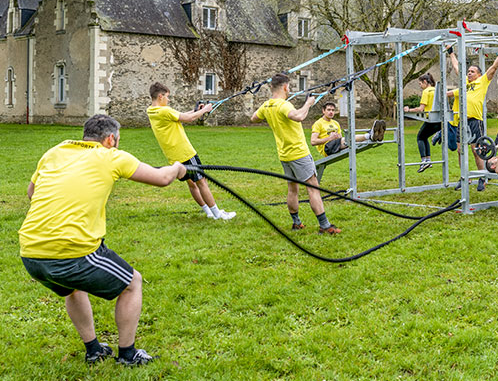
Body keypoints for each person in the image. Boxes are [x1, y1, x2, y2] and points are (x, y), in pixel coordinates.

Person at [19, 114, 187, 366]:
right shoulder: (111, 156)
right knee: (132, 283)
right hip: (72, 252)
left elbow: (32, 192)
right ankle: (128, 355)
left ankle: (94, 350)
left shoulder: (55, 151)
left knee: (73, 288)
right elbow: (162, 178)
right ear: (111, 139)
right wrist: (178, 168)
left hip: (30, 252)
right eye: (117, 140)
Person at [251, 73, 341, 234]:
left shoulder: (267, 106)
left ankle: (296, 223)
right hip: (299, 154)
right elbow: (298, 116)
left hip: (284, 155)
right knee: (313, 188)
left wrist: (269, 116)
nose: (290, 89)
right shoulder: (284, 105)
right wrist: (308, 104)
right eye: (290, 86)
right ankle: (325, 226)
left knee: (292, 189)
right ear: (285, 87)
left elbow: (253, 118)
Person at [146, 83, 236, 220]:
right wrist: (205, 110)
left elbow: (180, 116)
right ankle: (218, 214)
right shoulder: (165, 111)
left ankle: (208, 212)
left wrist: (196, 110)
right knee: (202, 182)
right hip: (185, 153)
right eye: (167, 97)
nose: (168, 100)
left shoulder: (152, 111)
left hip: (173, 155)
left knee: (192, 183)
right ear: (160, 96)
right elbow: (188, 119)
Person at [445, 46, 498, 191]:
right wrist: (451, 52)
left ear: (478, 74)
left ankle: (482, 177)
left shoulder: (482, 82)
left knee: (476, 151)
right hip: (461, 120)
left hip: (475, 121)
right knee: (460, 151)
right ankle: (464, 177)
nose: (469, 73)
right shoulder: (464, 83)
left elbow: (494, 67)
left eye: (472, 72)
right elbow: (456, 66)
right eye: (469, 71)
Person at [310, 102, 385, 157]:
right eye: (329, 110)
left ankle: (373, 136)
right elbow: (313, 142)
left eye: (333, 110)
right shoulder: (318, 123)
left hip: (337, 145)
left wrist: (336, 137)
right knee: (348, 140)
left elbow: (340, 138)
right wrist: (329, 138)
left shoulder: (336, 123)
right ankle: (369, 135)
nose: (331, 112)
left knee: (348, 140)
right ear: (323, 111)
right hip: (327, 148)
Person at [403, 73, 439, 172]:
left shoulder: (426, 91)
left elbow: (421, 109)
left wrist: (408, 110)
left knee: (420, 137)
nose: (420, 86)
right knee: (424, 137)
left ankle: (424, 161)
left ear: (425, 82)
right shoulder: (437, 90)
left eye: (420, 84)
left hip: (431, 119)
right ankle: (428, 160)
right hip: (440, 121)